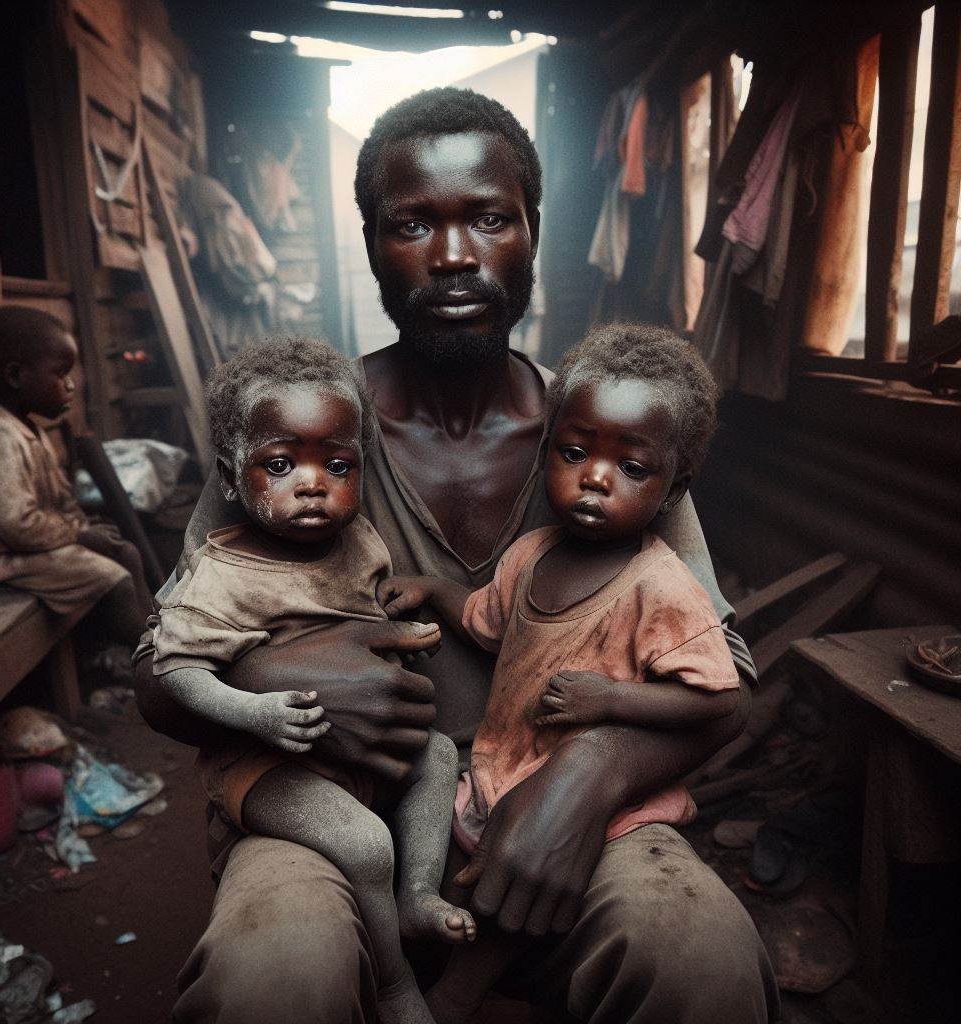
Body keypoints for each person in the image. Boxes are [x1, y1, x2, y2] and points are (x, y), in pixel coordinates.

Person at [136, 88, 779, 1022]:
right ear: (370, 244)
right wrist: (284, 678)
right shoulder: (304, 429)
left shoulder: (610, 430)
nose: (452, 256)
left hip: (562, 808)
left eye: (488, 217)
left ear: (530, 230)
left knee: (699, 961)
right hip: (342, 803)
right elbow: (159, 675)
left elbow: (730, 691)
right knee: (267, 976)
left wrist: (588, 777)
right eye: (411, 224)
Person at [379, 322, 744, 1021]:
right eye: (575, 453)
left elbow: (716, 699)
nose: (596, 478)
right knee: (464, 884)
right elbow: (484, 620)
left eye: (632, 469)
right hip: (499, 768)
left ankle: (453, 999)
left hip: (596, 803)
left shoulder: (659, 587)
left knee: (512, 899)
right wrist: (429, 587)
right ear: (547, 450)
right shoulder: (533, 556)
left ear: (674, 488)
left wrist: (612, 700)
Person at [150, 336, 472, 1024]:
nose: (312, 483)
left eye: (336, 464)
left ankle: (417, 897)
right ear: (232, 479)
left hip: (366, 750)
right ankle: (393, 985)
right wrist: (253, 711)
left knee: (440, 758)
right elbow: (175, 670)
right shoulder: (221, 575)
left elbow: (364, 605)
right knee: (363, 844)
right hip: (267, 764)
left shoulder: (359, 539)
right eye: (279, 464)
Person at [0, 307, 152, 646]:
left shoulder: (31, 430)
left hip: (27, 546)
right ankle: (153, 663)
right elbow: (18, 526)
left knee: (126, 552)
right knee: (115, 579)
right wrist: (79, 536)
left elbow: (60, 501)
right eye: (60, 374)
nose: (70, 385)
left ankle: (159, 638)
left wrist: (84, 530)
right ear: (15, 376)